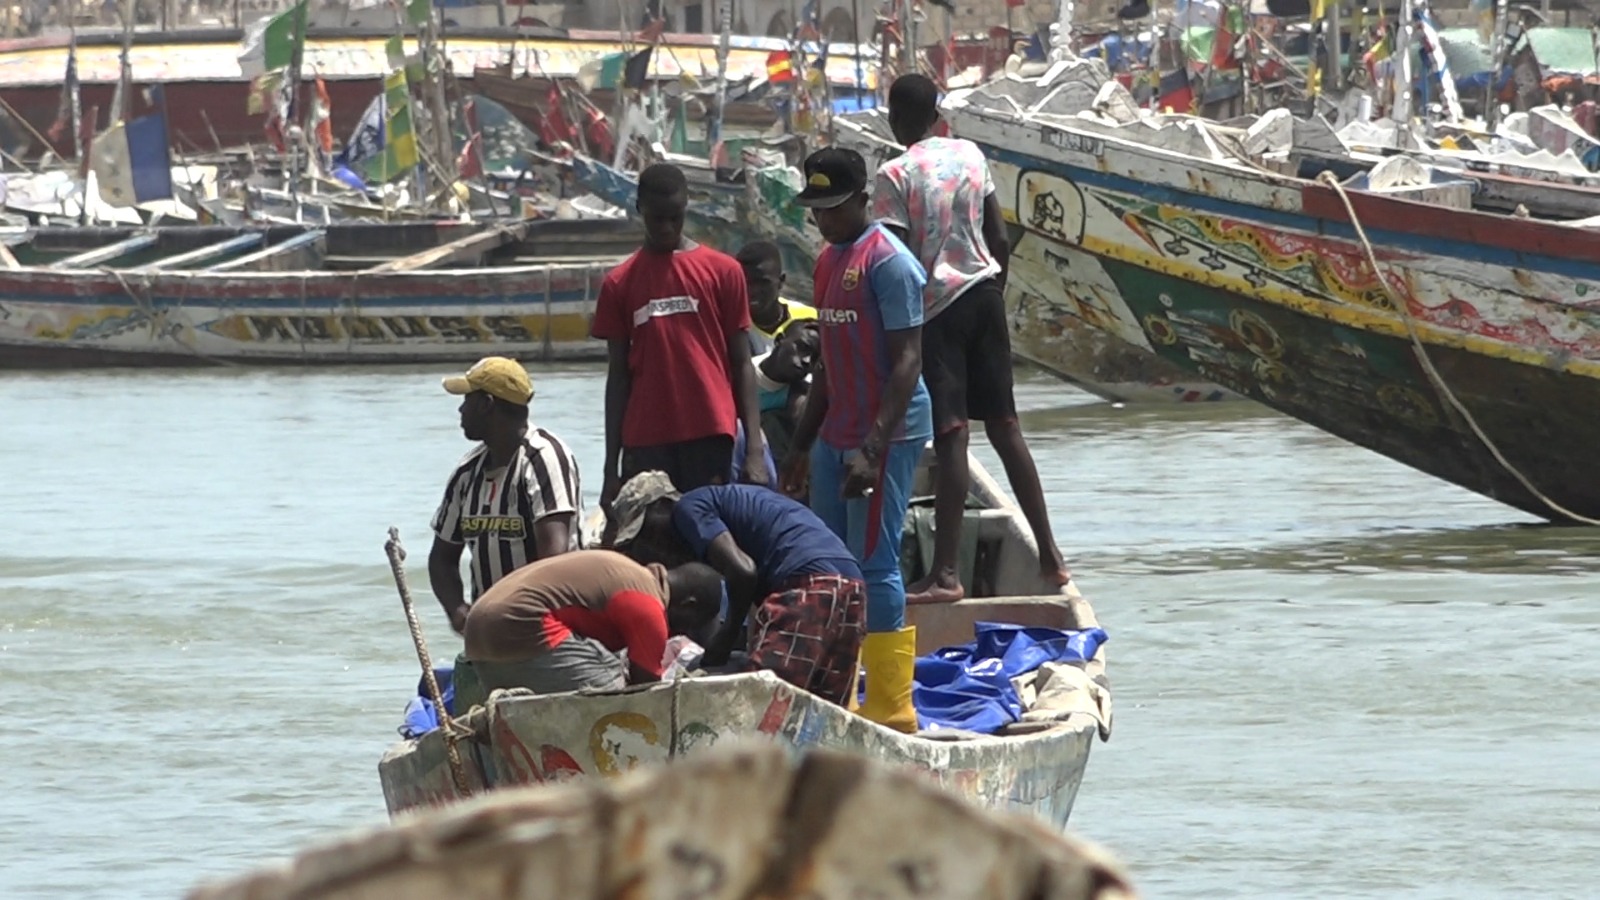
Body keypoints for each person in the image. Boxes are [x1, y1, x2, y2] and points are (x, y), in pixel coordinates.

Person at [874, 73, 1071, 603]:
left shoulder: (894, 174)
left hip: (937, 309)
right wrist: (992, 287)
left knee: (953, 435)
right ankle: (1051, 556)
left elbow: (892, 263)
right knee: (1007, 428)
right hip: (986, 296)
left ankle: (945, 576)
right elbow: (999, 238)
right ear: (937, 111)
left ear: (895, 119)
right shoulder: (971, 155)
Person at [780, 147, 931, 733]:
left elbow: (908, 360)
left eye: (834, 208)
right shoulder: (825, 263)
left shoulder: (889, 264)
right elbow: (828, 367)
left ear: (862, 201)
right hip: (835, 426)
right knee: (827, 566)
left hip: (885, 433)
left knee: (874, 562)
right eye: (815, 210)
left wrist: (872, 449)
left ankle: (893, 704)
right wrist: (800, 445)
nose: (824, 220)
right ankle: (837, 690)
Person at [591, 162, 768, 520]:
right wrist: (611, 465)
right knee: (653, 542)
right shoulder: (618, 284)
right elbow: (619, 377)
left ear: (687, 205)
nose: (667, 228)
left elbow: (741, 364)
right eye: (658, 218)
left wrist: (753, 449)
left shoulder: (724, 272)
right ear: (639, 208)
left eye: (676, 217)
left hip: (710, 432)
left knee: (710, 536)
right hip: (645, 440)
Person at [608, 471, 867, 707]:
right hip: (851, 585)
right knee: (823, 709)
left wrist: (724, 639)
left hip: (808, 585)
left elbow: (743, 572)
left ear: (663, 505)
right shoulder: (729, 508)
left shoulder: (689, 508)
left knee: (759, 705)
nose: (652, 545)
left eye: (646, 532)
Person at [452, 550, 725, 712]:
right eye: (691, 624)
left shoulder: (624, 569)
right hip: (521, 626)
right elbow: (645, 692)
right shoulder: (648, 605)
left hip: (478, 633)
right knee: (619, 707)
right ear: (690, 605)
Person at [429, 356, 582, 634]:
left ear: (487, 405)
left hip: (549, 627)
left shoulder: (543, 458)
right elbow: (442, 559)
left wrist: (512, 616)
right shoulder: (467, 472)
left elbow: (552, 562)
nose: (461, 410)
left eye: (467, 400)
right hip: (489, 631)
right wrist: (458, 611)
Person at [737, 240, 818, 356]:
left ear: (781, 281)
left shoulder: (809, 318)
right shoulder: (731, 326)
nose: (752, 290)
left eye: (762, 283)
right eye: (745, 282)